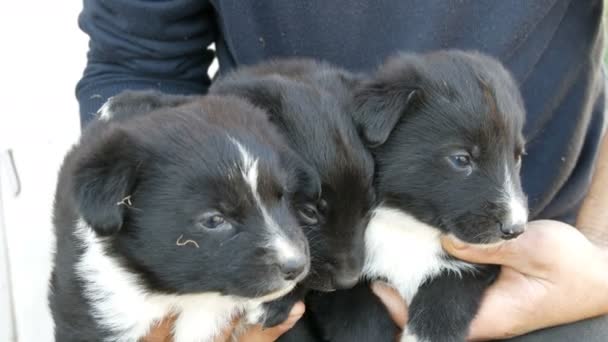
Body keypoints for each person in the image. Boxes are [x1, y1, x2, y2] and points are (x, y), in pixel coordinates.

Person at [76, 1, 608, 340]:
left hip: (551, 278)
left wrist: (601, 260)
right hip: (264, 281)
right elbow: (138, 61)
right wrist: (170, 278)